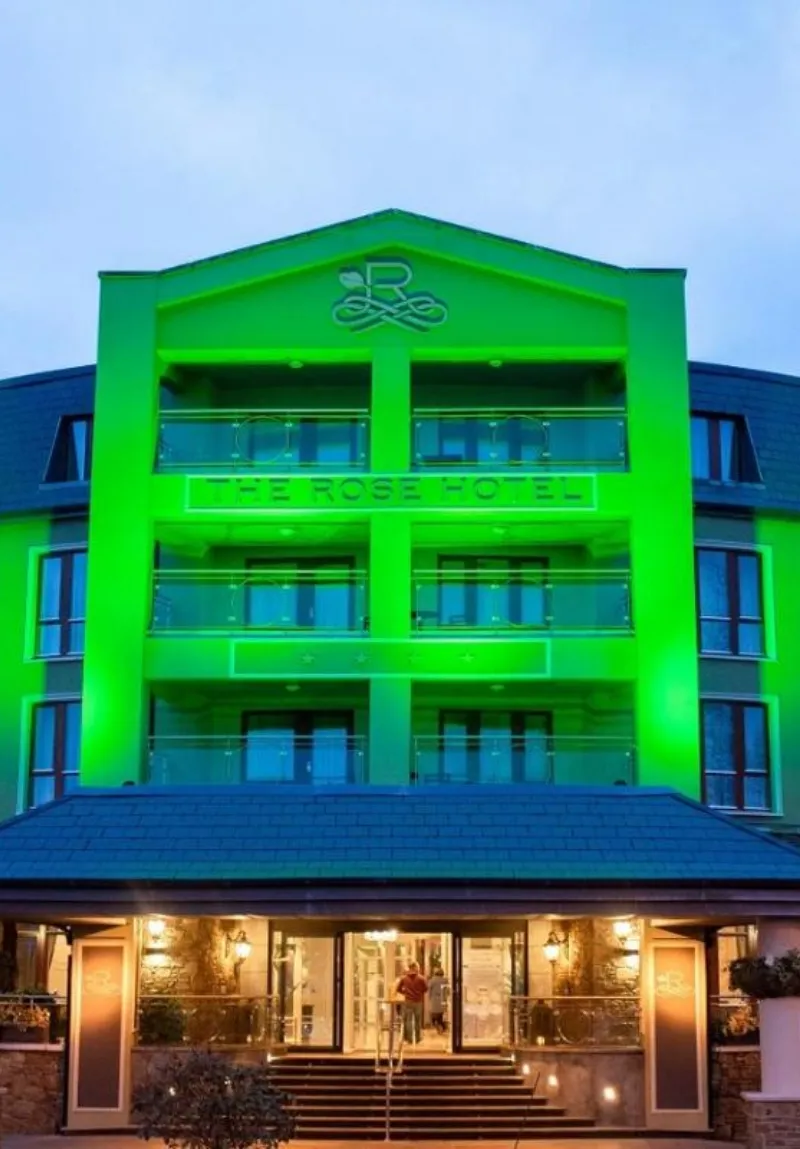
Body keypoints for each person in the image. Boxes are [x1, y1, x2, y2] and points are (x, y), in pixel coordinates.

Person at [396, 960, 427, 1045]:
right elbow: (426, 989)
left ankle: (409, 1039)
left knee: (408, 1020)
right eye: (418, 967)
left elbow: (398, 989)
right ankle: (417, 1039)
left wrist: (405, 993)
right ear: (415, 967)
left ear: (409, 968)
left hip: (408, 1001)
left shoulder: (404, 978)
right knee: (417, 1020)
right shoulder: (421, 978)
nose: (418, 968)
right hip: (418, 1002)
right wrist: (419, 993)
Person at [428, 965, 448, 1034]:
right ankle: (443, 1027)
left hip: (434, 999)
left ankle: (439, 1027)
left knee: (434, 1015)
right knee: (441, 1014)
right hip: (443, 999)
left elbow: (429, 990)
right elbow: (447, 990)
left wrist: (429, 997)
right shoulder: (445, 980)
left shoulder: (432, 980)